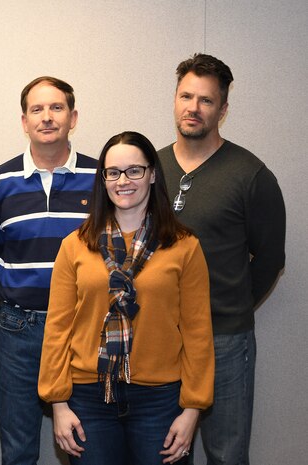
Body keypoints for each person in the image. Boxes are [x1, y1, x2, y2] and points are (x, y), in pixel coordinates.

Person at [38, 131, 214, 465]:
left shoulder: (184, 246)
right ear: (103, 180)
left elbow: (197, 332)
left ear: (152, 175)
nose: (123, 181)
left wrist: (192, 410)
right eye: (113, 172)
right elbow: (57, 330)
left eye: (134, 170)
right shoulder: (74, 246)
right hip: (88, 399)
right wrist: (58, 405)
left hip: (160, 400)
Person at [158, 53, 286, 464]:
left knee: (226, 454)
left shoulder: (251, 175)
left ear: (223, 109)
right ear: (175, 99)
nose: (193, 108)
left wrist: (231, 305)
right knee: (164, 452)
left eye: (206, 100)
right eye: (186, 96)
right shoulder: (149, 168)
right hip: (159, 338)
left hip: (224, 340)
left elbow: (269, 258)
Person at [0, 76, 97, 465]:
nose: (47, 118)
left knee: (88, 444)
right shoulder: (0, 182)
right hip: (20, 331)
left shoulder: (103, 179)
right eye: (37, 109)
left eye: (56, 108)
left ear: (73, 117)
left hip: (85, 329)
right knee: (18, 449)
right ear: (24, 121)